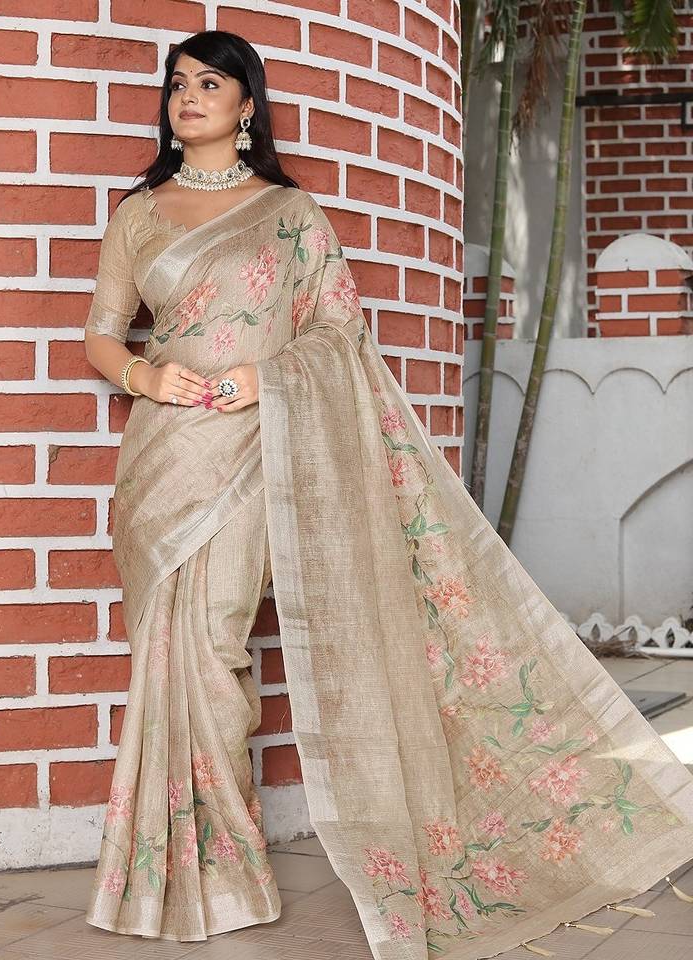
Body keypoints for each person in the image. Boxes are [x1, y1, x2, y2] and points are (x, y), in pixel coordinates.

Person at [82, 28, 693, 960]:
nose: (188, 97)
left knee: (213, 643)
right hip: (163, 457)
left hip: (254, 446)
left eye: (209, 82)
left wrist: (263, 380)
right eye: (177, 84)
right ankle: (173, 870)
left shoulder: (289, 214)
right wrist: (145, 378)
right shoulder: (139, 214)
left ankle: (228, 866)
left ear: (247, 105)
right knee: (166, 652)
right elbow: (99, 333)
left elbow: (339, 334)